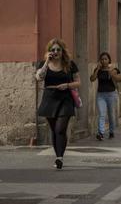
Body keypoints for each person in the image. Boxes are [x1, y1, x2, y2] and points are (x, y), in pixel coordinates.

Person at [35, 38, 81, 170]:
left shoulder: (70, 64)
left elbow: (78, 82)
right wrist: (46, 63)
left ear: (62, 51)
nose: (55, 52)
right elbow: (39, 78)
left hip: (65, 99)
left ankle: (59, 158)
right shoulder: (44, 64)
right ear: (49, 51)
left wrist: (67, 85)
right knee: (54, 130)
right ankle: (58, 156)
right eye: (52, 50)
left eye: (58, 49)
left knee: (60, 129)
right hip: (49, 99)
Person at [90, 52, 121, 141]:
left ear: (109, 60)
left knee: (111, 115)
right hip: (101, 95)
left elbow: (120, 79)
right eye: (102, 59)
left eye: (106, 59)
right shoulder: (98, 70)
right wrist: (97, 69)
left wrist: (111, 73)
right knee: (102, 114)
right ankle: (101, 133)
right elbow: (92, 79)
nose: (104, 61)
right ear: (100, 61)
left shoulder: (114, 69)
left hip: (111, 94)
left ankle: (111, 131)